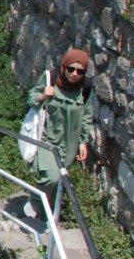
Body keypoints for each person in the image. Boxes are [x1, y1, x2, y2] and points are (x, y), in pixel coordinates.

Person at [28, 47, 94, 214]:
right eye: (71, 69)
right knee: (52, 177)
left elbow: (86, 114)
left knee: (58, 180)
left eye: (80, 71)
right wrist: (43, 96)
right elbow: (31, 99)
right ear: (64, 67)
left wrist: (83, 142)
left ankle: (46, 213)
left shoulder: (85, 87)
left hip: (69, 143)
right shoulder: (50, 78)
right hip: (47, 138)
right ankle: (38, 205)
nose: (74, 74)